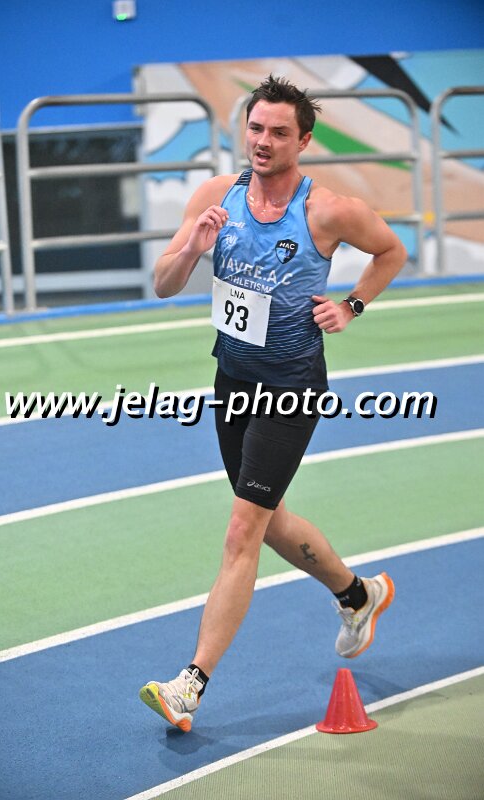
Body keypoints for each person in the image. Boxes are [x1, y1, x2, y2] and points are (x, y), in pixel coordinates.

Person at [139, 75, 406, 733]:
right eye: (255, 128)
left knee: (242, 530)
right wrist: (193, 249)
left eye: (279, 132)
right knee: (269, 517)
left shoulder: (328, 211)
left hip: (290, 388)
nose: (263, 141)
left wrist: (352, 304)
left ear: (303, 141)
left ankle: (190, 684)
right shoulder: (216, 197)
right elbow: (164, 282)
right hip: (232, 381)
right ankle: (358, 595)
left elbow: (389, 251)